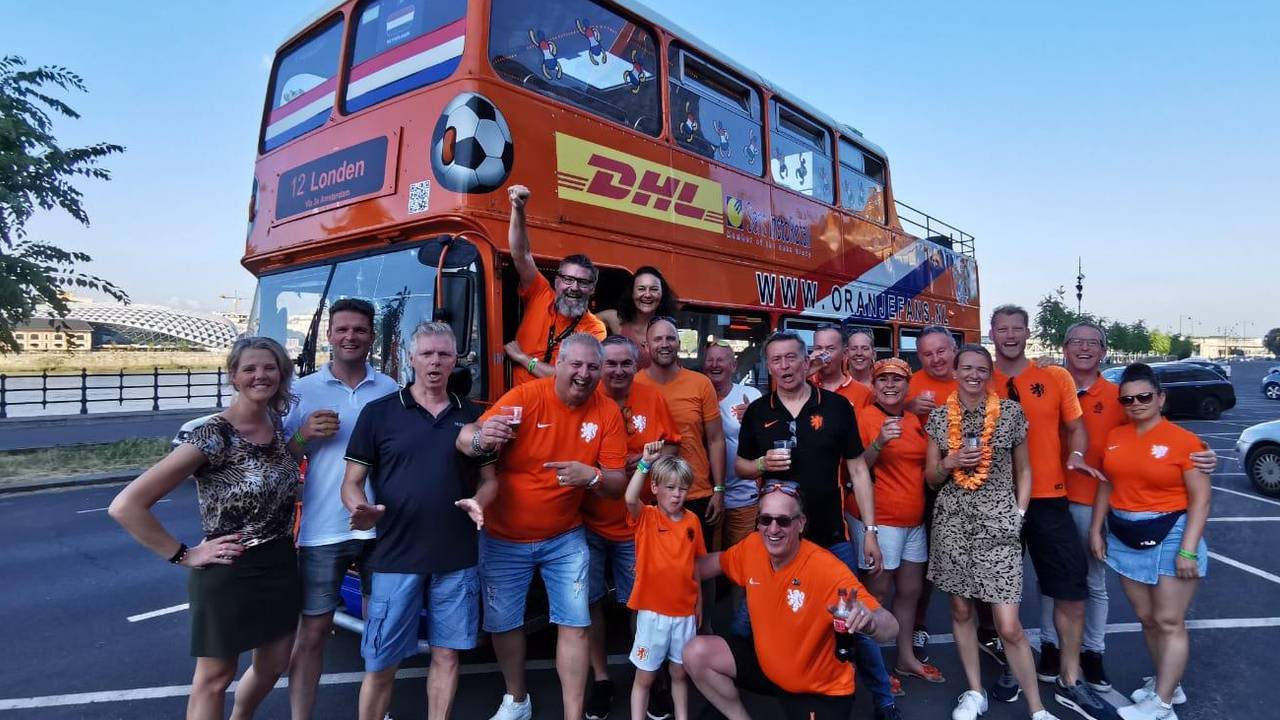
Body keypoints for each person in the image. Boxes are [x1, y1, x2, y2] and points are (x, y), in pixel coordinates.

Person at [108, 337, 301, 720]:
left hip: (279, 562)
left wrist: (304, 437)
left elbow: (274, 468)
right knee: (215, 677)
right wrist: (185, 554)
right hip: (230, 569)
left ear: (281, 374)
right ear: (233, 376)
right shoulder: (213, 436)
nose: (260, 375)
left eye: (269, 367)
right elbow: (126, 506)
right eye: (249, 368)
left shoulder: (274, 425)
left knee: (275, 663)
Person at [457, 333, 628, 720]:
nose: (584, 374)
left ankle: (572, 714)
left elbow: (616, 485)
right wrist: (483, 437)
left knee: (575, 621)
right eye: (576, 364)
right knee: (503, 623)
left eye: (592, 367)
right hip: (503, 537)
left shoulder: (607, 413)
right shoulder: (527, 398)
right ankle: (517, 699)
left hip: (565, 536)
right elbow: (468, 439)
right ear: (560, 364)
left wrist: (592, 477)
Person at [734, 331, 901, 720]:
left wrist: (871, 533)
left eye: (791, 358)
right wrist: (760, 466)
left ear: (806, 360)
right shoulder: (760, 411)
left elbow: (859, 471)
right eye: (776, 360)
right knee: (747, 617)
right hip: (775, 540)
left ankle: (883, 697)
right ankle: (733, 693)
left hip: (829, 536)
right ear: (768, 366)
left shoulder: (838, 407)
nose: (784, 367)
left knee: (855, 619)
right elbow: (740, 465)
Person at [1045, 324, 1217, 695]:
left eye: (1093, 343)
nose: (1084, 348)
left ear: (1104, 351)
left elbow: (1158, 437)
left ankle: (1094, 653)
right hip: (1047, 498)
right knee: (1054, 581)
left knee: (1096, 585)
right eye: (1076, 341)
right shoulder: (1044, 385)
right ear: (1064, 347)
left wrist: (1202, 454)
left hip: (1096, 504)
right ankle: (1051, 646)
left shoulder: (1118, 395)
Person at [341, 322, 494, 720]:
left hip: (456, 557)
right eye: (427, 353)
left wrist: (480, 501)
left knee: (447, 656)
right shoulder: (380, 413)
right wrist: (361, 509)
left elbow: (491, 481)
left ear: (455, 360)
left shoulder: (472, 416)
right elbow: (351, 483)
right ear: (411, 359)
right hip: (395, 557)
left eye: (444, 354)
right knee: (380, 662)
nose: (436, 361)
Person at [988, 305, 1117, 719]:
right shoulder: (977, 374)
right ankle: (1013, 665)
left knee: (1071, 590)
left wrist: (1076, 455)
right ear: (992, 333)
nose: (1009, 335)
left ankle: (1069, 678)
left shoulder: (1054, 376)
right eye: (1002, 328)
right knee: (1003, 594)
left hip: (1049, 496)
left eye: (1016, 328)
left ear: (1028, 332)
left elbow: (1076, 426)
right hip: (994, 499)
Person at [922, 344, 1058, 720]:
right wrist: (949, 462)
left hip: (999, 521)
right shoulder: (938, 418)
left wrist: (1019, 512)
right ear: (955, 371)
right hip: (952, 521)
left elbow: (1025, 470)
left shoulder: (1011, 414)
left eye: (982, 369)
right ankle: (974, 690)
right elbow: (931, 479)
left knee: (1009, 624)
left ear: (990, 373)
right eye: (967, 367)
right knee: (960, 608)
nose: (974, 375)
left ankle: (1037, 708)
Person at [683, 485, 899, 719]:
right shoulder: (753, 546)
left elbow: (890, 626)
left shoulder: (826, 569)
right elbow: (712, 564)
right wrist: (665, 566)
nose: (773, 529)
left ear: (801, 524)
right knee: (696, 653)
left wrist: (870, 623)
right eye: (766, 519)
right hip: (768, 669)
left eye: (783, 521)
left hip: (818, 690)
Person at [281, 298, 399, 720]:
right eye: (342, 329)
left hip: (380, 527)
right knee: (312, 633)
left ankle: (375, 711)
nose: (350, 337)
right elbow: (275, 461)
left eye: (360, 330)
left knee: (379, 631)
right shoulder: (301, 391)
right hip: (321, 529)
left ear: (371, 337)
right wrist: (303, 437)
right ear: (329, 335)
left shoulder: (390, 390)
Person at [1090, 364, 1211, 720]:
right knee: (1147, 618)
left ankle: (1161, 705)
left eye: (1144, 396)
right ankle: (1168, 685)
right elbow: (1106, 483)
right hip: (1125, 534)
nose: (1136, 403)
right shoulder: (1115, 436)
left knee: (1169, 619)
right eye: (1127, 399)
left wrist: (1188, 549)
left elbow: (1201, 500)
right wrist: (1096, 528)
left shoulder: (1186, 442)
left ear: (1160, 398)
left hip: (1172, 532)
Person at [582, 335, 680, 719]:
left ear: (636, 365)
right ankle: (602, 679)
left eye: (627, 364)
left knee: (642, 605)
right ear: (600, 366)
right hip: (589, 521)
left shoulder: (651, 397)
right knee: (588, 604)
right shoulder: (586, 398)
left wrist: (641, 459)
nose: (619, 371)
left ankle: (649, 676)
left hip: (637, 523)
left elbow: (673, 446)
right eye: (612, 364)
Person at [856, 358, 944, 685]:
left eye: (897, 380)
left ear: (908, 386)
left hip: (914, 520)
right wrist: (879, 442)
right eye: (883, 380)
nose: (890, 385)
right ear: (874, 386)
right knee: (876, 595)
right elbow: (855, 467)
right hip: (883, 519)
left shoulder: (915, 419)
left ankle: (905, 658)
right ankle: (874, 668)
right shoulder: (865, 417)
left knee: (910, 591)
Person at [624, 445, 704, 720]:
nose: (676, 494)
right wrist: (644, 465)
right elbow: (629, 497)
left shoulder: (693, 521)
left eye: (682, 488)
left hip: (684, 613)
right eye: (669, 487)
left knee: (680, 674)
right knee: (645, 677)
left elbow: (695, 565)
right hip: (653, 613)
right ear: (655, 488)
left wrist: (699, 603)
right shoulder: (647, 516)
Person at [635, 318, 726, 559]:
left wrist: (718, 489)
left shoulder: (701, 384)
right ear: (646, 345)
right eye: (658, 339)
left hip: (695, 492)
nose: (665, 344)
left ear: (678, 343)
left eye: (670, 338)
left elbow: (716, 439)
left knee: (700, 566)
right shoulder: (634, 384)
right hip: (649, 496)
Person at [501, 184, 607, 385]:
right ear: (557, 281)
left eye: (583, 282)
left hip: (558, 408)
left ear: (592, 289)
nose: (574, 288)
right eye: (568, 280)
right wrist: (518, 209)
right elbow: (521, 254)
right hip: (519, 405)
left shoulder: (595, 329)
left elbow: (569, 377)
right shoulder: (540, 293)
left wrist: (523, 358)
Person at [903, 325, 959, 664]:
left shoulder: (972, 374)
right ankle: (919, 624)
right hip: (923, 480)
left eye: (941, 351)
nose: (936, 358)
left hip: (970, 480)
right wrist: (910, 406)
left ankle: (987, 628)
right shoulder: (912, 384)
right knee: (923, 560)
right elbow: (889, 409)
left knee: (975, 557)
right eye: (927, 353)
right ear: (919, 356)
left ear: (953, 349)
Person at [702, 340, 762, 548]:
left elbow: (765, 443)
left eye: (720, 360)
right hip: (706, 497)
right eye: (710, 360)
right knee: (710, 561)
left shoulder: (752, 396)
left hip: (743, 499)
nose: (714, 364)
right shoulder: (696, 395)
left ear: (733, 366)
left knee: (740, 564)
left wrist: (753, 421)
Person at [596, 266, 679, 368]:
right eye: (641, 289)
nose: (647, 295)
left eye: (654, 289)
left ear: (662, 294)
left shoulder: (668, 330)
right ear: (632, 293)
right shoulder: (615, 319)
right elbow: (581, 326)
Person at [808, 324, 873, 410]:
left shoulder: (863, 393)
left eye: (830, 349)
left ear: (844, 353)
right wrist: (807, 372)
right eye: (818, 348)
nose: (823, 354)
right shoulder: (803, 384)